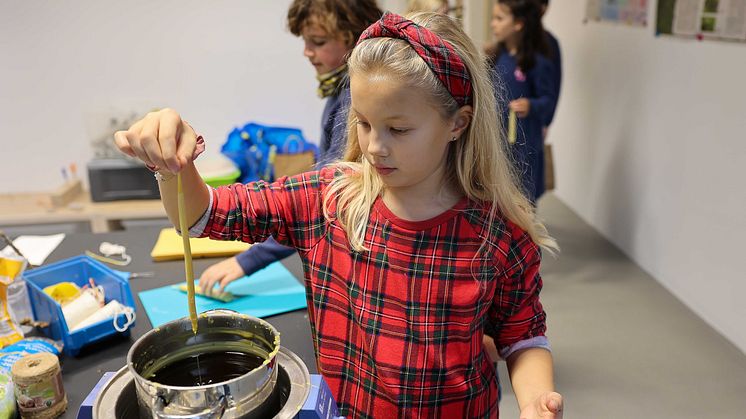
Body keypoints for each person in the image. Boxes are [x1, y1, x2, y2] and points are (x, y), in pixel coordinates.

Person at [115, 11, 563, 418]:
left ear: (457, 123)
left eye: (399, 129)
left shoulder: (497, 236)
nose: (374, 146)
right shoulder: (328, 201)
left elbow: (523, 337)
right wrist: (172, 162)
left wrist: (534, 400)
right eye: (364, 123)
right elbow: (201, 216)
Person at [198, 0, 383, 295]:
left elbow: (320, 199)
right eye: (306, 41)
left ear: (353, 38)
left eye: (318, 42)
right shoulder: (341, 91)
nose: (307, 51)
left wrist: (249, 260)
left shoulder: (354, 99)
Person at [489, 0, 558, 203]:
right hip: (499, 141)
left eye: (499, 19)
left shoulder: (538, 60)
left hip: (524, 144)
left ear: (518, 24)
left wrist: (531, 105)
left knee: (522, 200)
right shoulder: (498, 55)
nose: (493, 24)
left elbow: (548, 99)